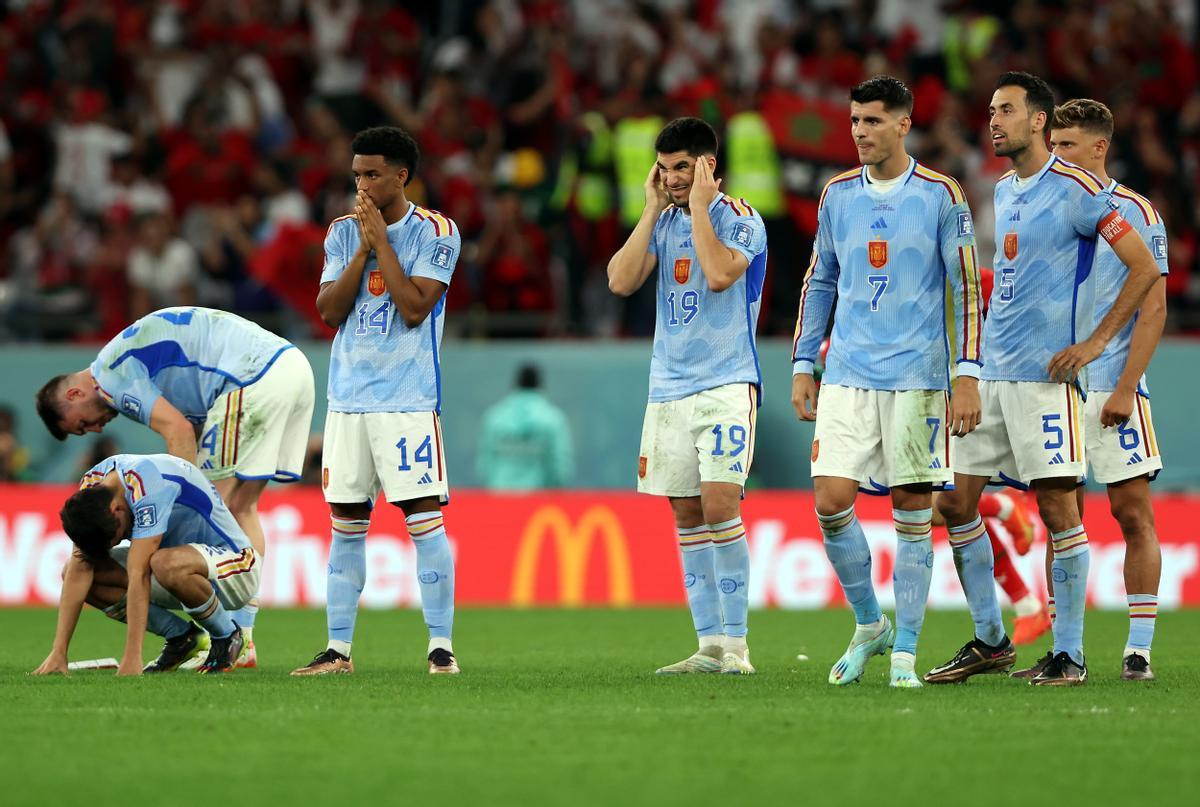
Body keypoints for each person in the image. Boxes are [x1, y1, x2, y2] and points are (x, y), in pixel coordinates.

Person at [930, 72, 1161, 686]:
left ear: (1038, 119)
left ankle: (1071, 653)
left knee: (1061, 509)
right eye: (990, 110)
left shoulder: (1080, 190)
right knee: (953, 502)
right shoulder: (1003, 190)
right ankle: (990, 638)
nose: (994, 121)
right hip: (993, 376)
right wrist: (969, 371)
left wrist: (1095, 344)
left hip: (1044, 380)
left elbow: (1142, 270)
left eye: (1005, 110)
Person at [791, 76, 984, 688]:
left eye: (872, 122)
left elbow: (966, 287)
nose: (859, 133)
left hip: (918, 376)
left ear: (903, 125)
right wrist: (804, 363)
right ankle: (871, 624)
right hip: (847, 372)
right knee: (829, 501)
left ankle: (906, 650)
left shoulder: (941, 194)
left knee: (912, 510)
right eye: (854, 121)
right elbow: (819, 281)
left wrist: (967, 374)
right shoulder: (837, 194)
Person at [34, 306, 316, 667]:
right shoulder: (129, 360)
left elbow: (179, 434)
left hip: (252, 378)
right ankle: (242, 635)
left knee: (213, 516)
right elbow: (191, 428)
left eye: (81, 425)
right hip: (289, 366)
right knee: (242, 508)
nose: (96, 429)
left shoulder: (110, 378)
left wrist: (167, 511)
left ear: (74, 395)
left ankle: (229, 637)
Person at [291, 126, 462, 676]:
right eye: (356, 174)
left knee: (422, 518)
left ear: (400, 176)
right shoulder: (344, 233)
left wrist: (382, 245)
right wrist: (362, 248)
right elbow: (328, 311)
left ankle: (441, 647)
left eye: (371, 174)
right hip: (346, 401)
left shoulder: (438, 231)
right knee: (345, 521)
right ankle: (337, 650)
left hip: (407, 401)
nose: (361, 184)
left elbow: (414, 308)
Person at [1010, 99, 1169, 682]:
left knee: (1131, 514)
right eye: (1055, 145)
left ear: (1099, 147)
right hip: (1056, 388)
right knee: (1061, 518)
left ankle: (1139, 649)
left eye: (1069, 147)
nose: (1058, 156)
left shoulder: (1136, 212)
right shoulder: (1042, 201)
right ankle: (1064, 648)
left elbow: (1153, 309)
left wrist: (1126, 386)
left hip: (1111, 387)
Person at [608, 117, 767, 675]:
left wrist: (699, 206)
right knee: (686, 511)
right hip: (668, 387)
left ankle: (738, 647)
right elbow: (620, 281)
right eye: (666, 167)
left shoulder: (742, 219)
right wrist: (651, 209)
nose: (672, 178)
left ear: (707, 167)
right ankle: (708, 646)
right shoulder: (663, 220)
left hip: (726, 383)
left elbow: (721, 273)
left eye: (683, 167)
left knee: (721, 504)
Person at [31, 453, 259, 676]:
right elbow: (80, 567)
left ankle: (227, 636)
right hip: (179, 575)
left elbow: (138, 573)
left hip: (236, 567)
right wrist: (59, 652)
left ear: (116, 510)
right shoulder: (93, 488)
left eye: (117, 536)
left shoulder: (149, 486)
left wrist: (132, 657)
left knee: (163, 562)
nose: (121, 540)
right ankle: (182, 638)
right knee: (79, 570)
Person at [476, 364, 574, 490]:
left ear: (515, 385)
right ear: (540, 385)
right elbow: (560, 468)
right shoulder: (553, 419)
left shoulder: (494, 418)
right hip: (539, 502)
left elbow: (484, 465)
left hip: (500, 498)